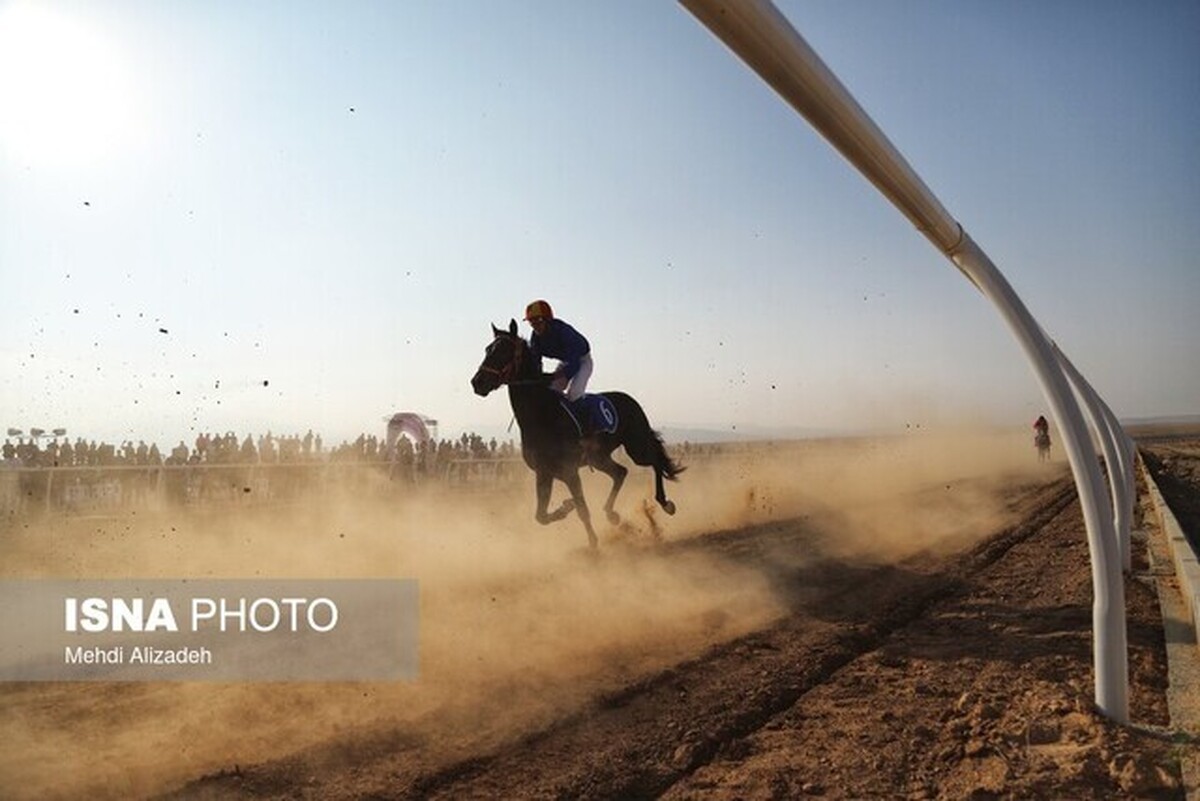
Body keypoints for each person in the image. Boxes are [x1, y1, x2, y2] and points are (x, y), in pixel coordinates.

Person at [524, 299, 592, 401]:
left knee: (574, 394)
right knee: (552, 392)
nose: (535, 327)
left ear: (547, 320)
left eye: (538, 321)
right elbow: (535, 361)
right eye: (531, 322)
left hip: (582, 361)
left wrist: (554, 376)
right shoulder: (535, 338)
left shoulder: (563, 332)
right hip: (565, 361)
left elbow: (574, 364)